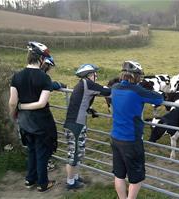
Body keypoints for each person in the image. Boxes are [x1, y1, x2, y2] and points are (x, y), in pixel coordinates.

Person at [110, 61, 163, 199]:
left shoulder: (115, 87)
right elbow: (159, 99)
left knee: (119, 174)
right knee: (136, 177)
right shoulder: (138, 91)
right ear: (137, 76)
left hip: (115, 137)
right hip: (131, 140)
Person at [9, 41, 57, 192]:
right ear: (41, 59)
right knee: (42, 153)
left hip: (24, 121)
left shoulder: (17, 76)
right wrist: (24, 106)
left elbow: (12, 102)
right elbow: (41, 103)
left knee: (31, 151)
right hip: (41, 122)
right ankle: (43, 184)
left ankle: (30, 180)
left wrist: (15, 113)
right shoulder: (44, 78)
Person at [64, 63, 111, 190]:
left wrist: (89, 109)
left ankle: (75, 177)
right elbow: (107, 91)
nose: (96, 76)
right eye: (95, 74)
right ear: (89, 75)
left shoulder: (81, 84)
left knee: (78, 153)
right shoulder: (87, 84)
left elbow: (80, 102)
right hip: (76, 125)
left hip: (75, 123)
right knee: (74, 155)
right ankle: (70, 183)